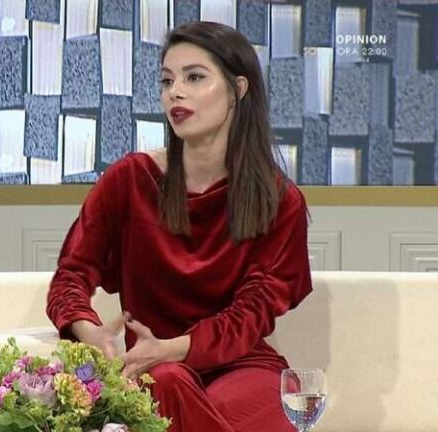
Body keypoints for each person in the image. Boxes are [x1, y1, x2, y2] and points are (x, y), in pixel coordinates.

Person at [46, 21, 312, 432]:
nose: (175, 92)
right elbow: (71, 276)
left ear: (238, 89)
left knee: (263, 403)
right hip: (153, 370)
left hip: (242, 366)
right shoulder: (129, 181)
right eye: (167, 81)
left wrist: (176, 347)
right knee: (169, 383)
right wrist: (91, 332)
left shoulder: (278, 199)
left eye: (195, 77)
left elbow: (253, 313)